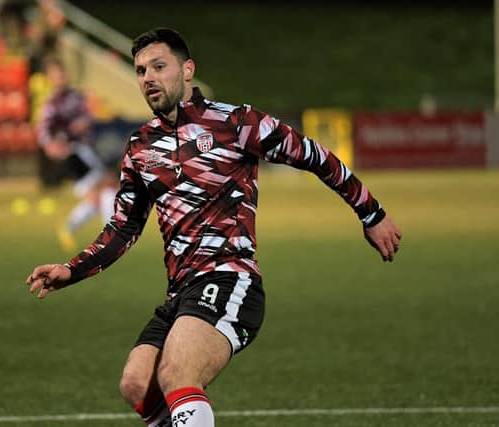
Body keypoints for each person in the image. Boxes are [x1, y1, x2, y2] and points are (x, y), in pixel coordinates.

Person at [26, 28, 402, 426]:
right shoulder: (140, 147)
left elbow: (314, 155)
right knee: (137, 384)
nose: (148, 78)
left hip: (229, 279)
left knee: (176, 374)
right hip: (180, 292)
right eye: (140, 71)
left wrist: (371, 214)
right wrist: (73, 269)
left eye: (159, 66)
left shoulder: (235, 122)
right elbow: (123, 227)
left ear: (187, 70)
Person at [36, 56, 117, 250]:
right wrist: (53, 146)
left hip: (86, 150)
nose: (61, 78)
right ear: (50, 78)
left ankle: (70, 226)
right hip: (73, 154)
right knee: (106, 184)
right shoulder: (51, 104)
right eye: (56, 75)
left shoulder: (76, 96)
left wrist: (85, 122)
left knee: (100, 192)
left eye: (62, 74)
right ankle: (111, 233)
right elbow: (44, 132)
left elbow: (87, 117)